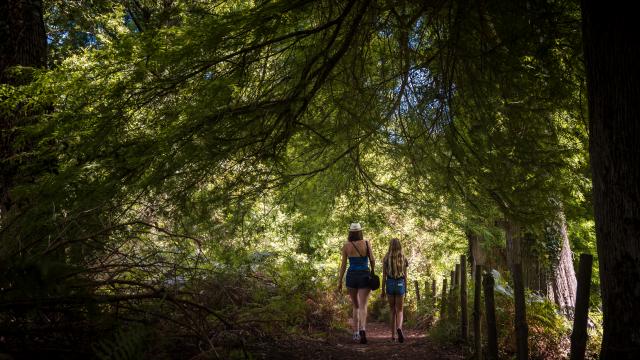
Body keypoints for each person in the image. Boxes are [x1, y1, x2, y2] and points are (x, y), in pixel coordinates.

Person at [338, 223, 375, 344]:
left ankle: (355, 333)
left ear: (350, 232)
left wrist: (339, 281)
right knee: (363, 305)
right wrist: (372, 271)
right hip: (364, 275)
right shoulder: (366, 243)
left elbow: (343, 265)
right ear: (360, 232)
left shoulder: (346, 246)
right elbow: (373, 260)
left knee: (355, 306)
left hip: (351, 276)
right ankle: (363, 329)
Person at [381, 238, 408, 343]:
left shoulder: (386, 258)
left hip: (390, 283)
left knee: (392, 310)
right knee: (400, 310)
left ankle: (392, 336)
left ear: (390, 245)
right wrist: (406, 288)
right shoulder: (403, 257)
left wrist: (383, 290)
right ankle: (399, 328)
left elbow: (384, 275)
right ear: (400, 245)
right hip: (400, 283)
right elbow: (405, 275)